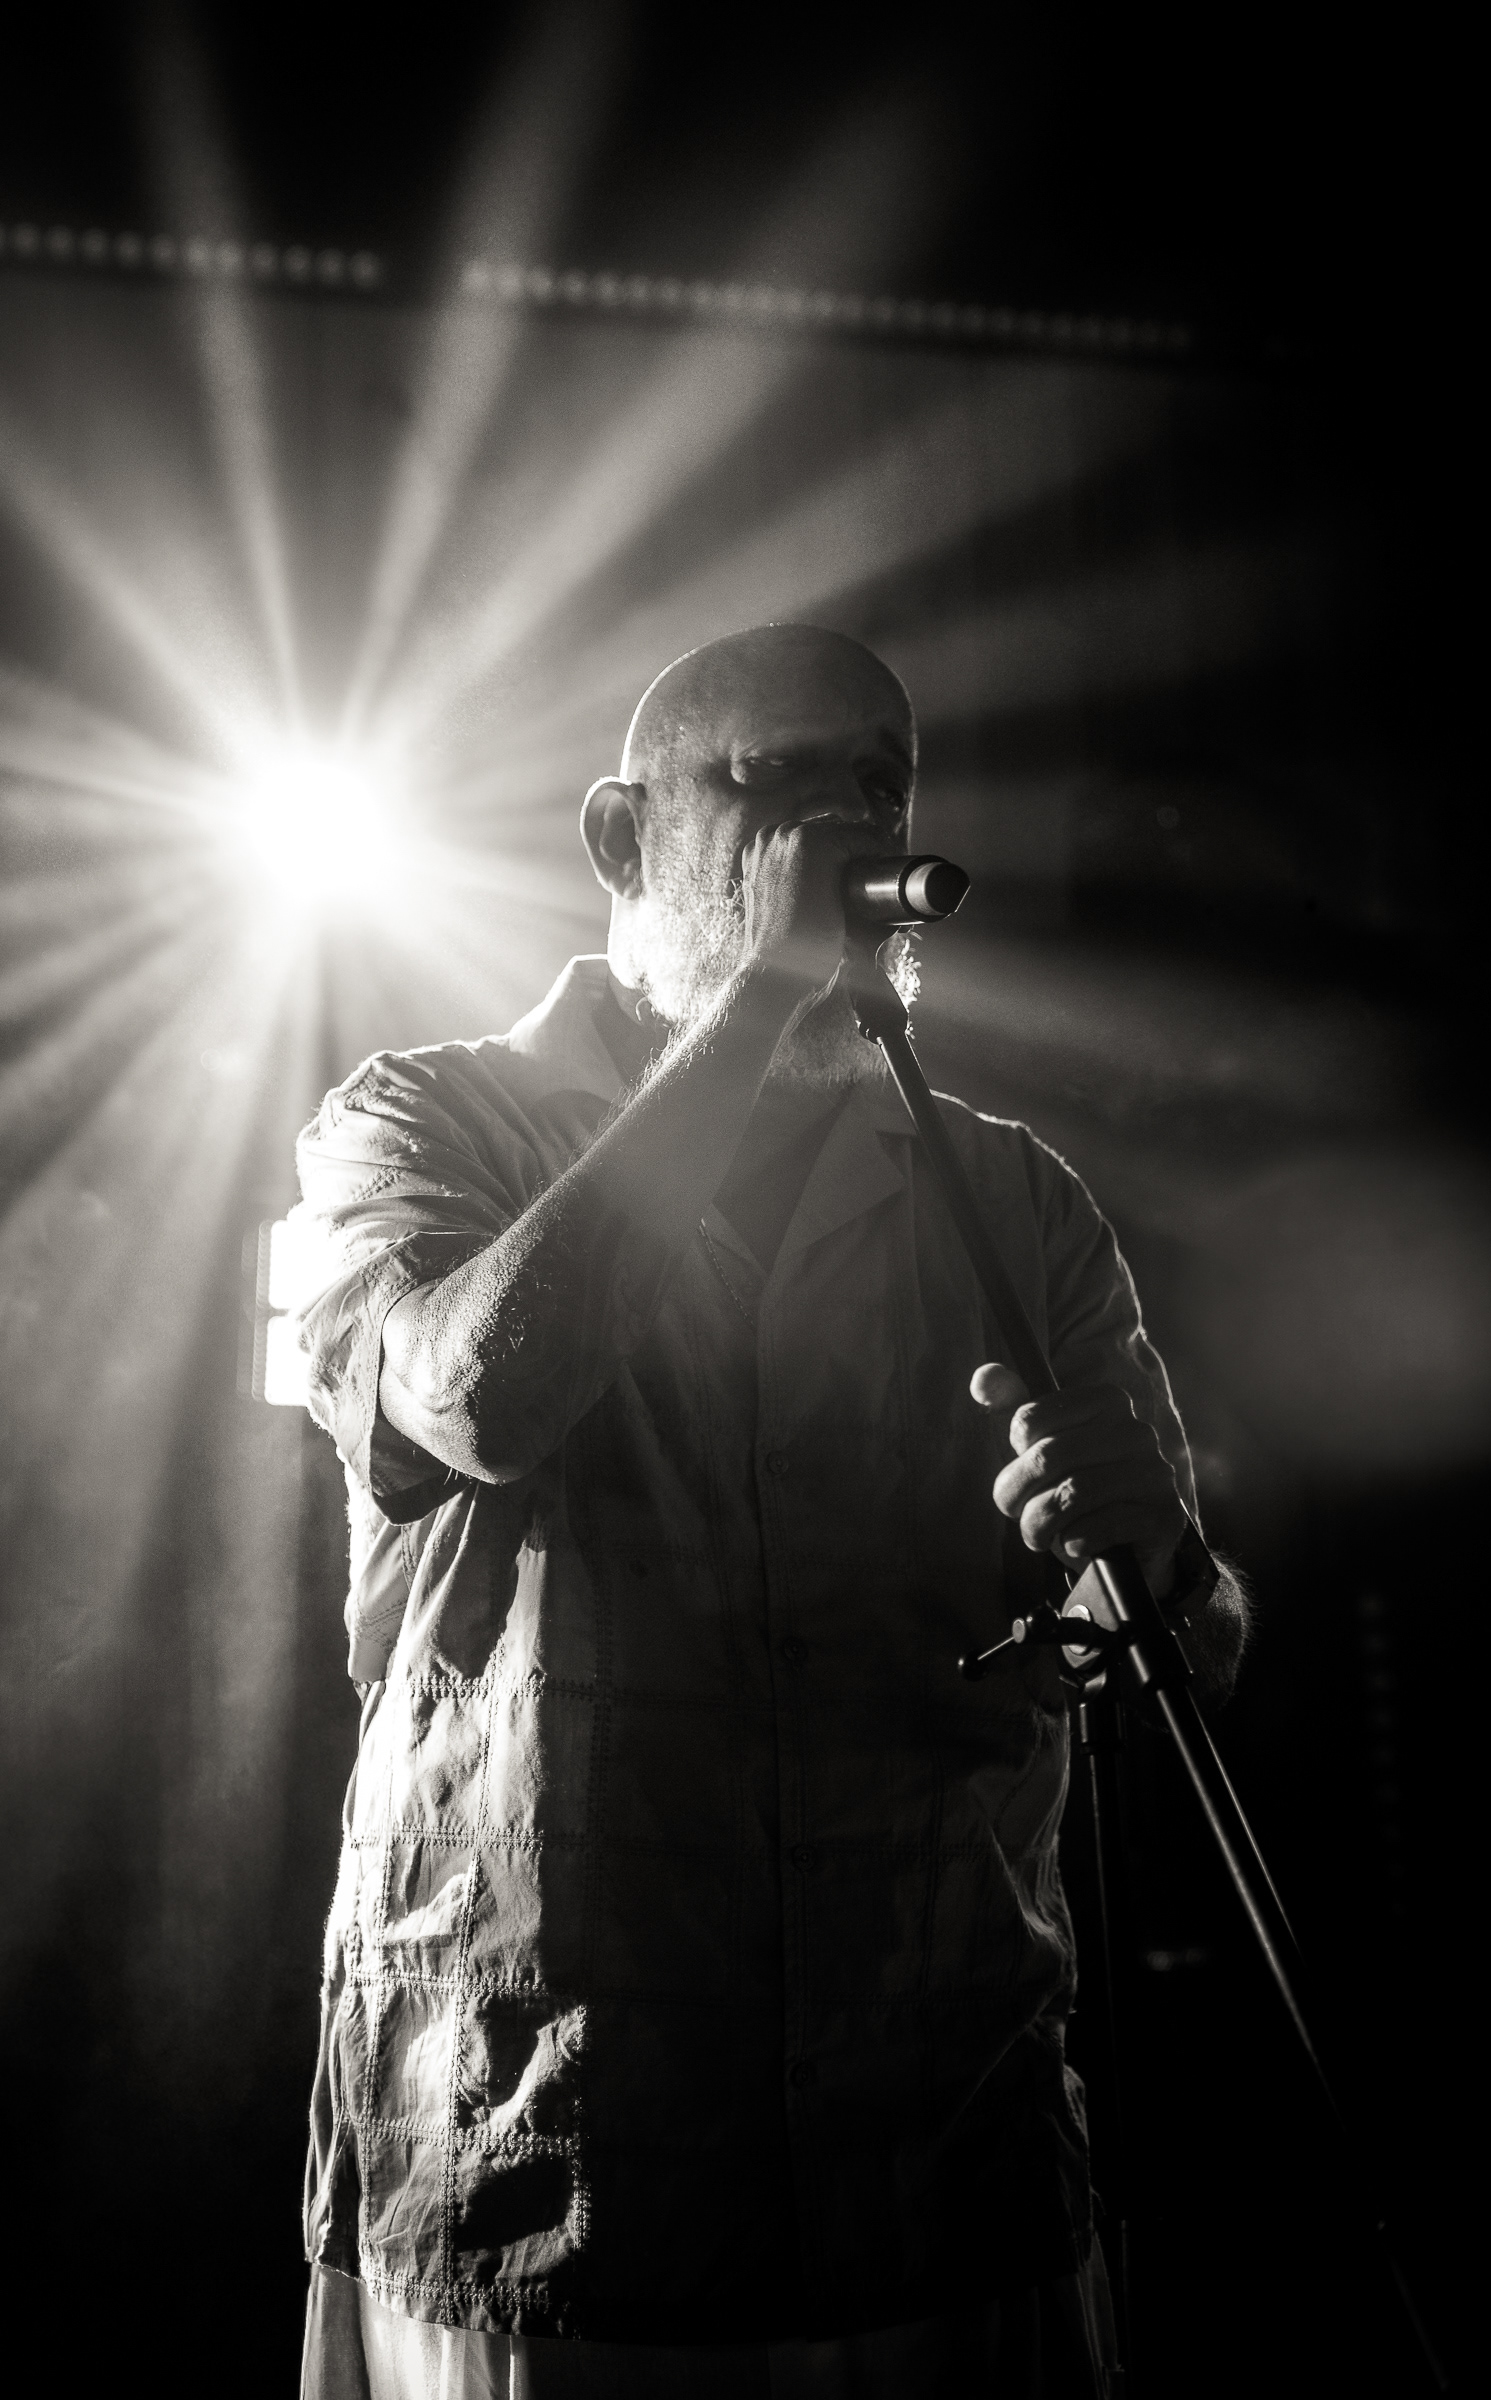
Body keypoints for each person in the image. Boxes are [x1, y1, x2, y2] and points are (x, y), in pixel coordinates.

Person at [294, 623, 1247, 2398]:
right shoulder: (422, 1121)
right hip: (545, 2181)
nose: (845, 825)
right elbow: (473, 1401)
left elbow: (1187, 1645)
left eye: (877, 785)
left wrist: (1158, 1570)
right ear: (620, 837)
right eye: (774, 781)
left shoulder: (1012, 1201)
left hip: (943, 2163)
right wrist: (756, 998)